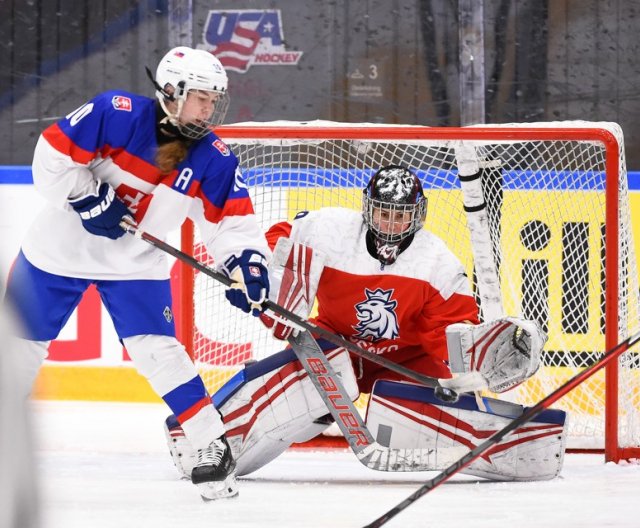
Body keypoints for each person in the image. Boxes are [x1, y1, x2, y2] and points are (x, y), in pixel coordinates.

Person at [165, 164, 565, 482]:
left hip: (407, 363)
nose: (391, 224)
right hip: (335, 345)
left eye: (400, 215)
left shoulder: (439, 265)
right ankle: (205, 443)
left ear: (418, 216)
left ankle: (507, 445)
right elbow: (277, 243)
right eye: (383, 213)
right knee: (317, 373)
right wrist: (256, 275)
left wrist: (478, 364)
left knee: (416, 408)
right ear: (367, 208)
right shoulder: (329, 230)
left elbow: (451, 337)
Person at [2, 46, 271, 500]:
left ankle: (210, 446)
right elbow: (49, 159)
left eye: (214, 100)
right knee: (17, 348)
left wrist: (247, 264)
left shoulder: (215, 158)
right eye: (202, 97)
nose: (210, 109)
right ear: (171, 91)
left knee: (160, 354)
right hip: (57, 251)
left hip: (135, 262)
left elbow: (232, 224)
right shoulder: (113, 112)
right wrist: (87, 194)